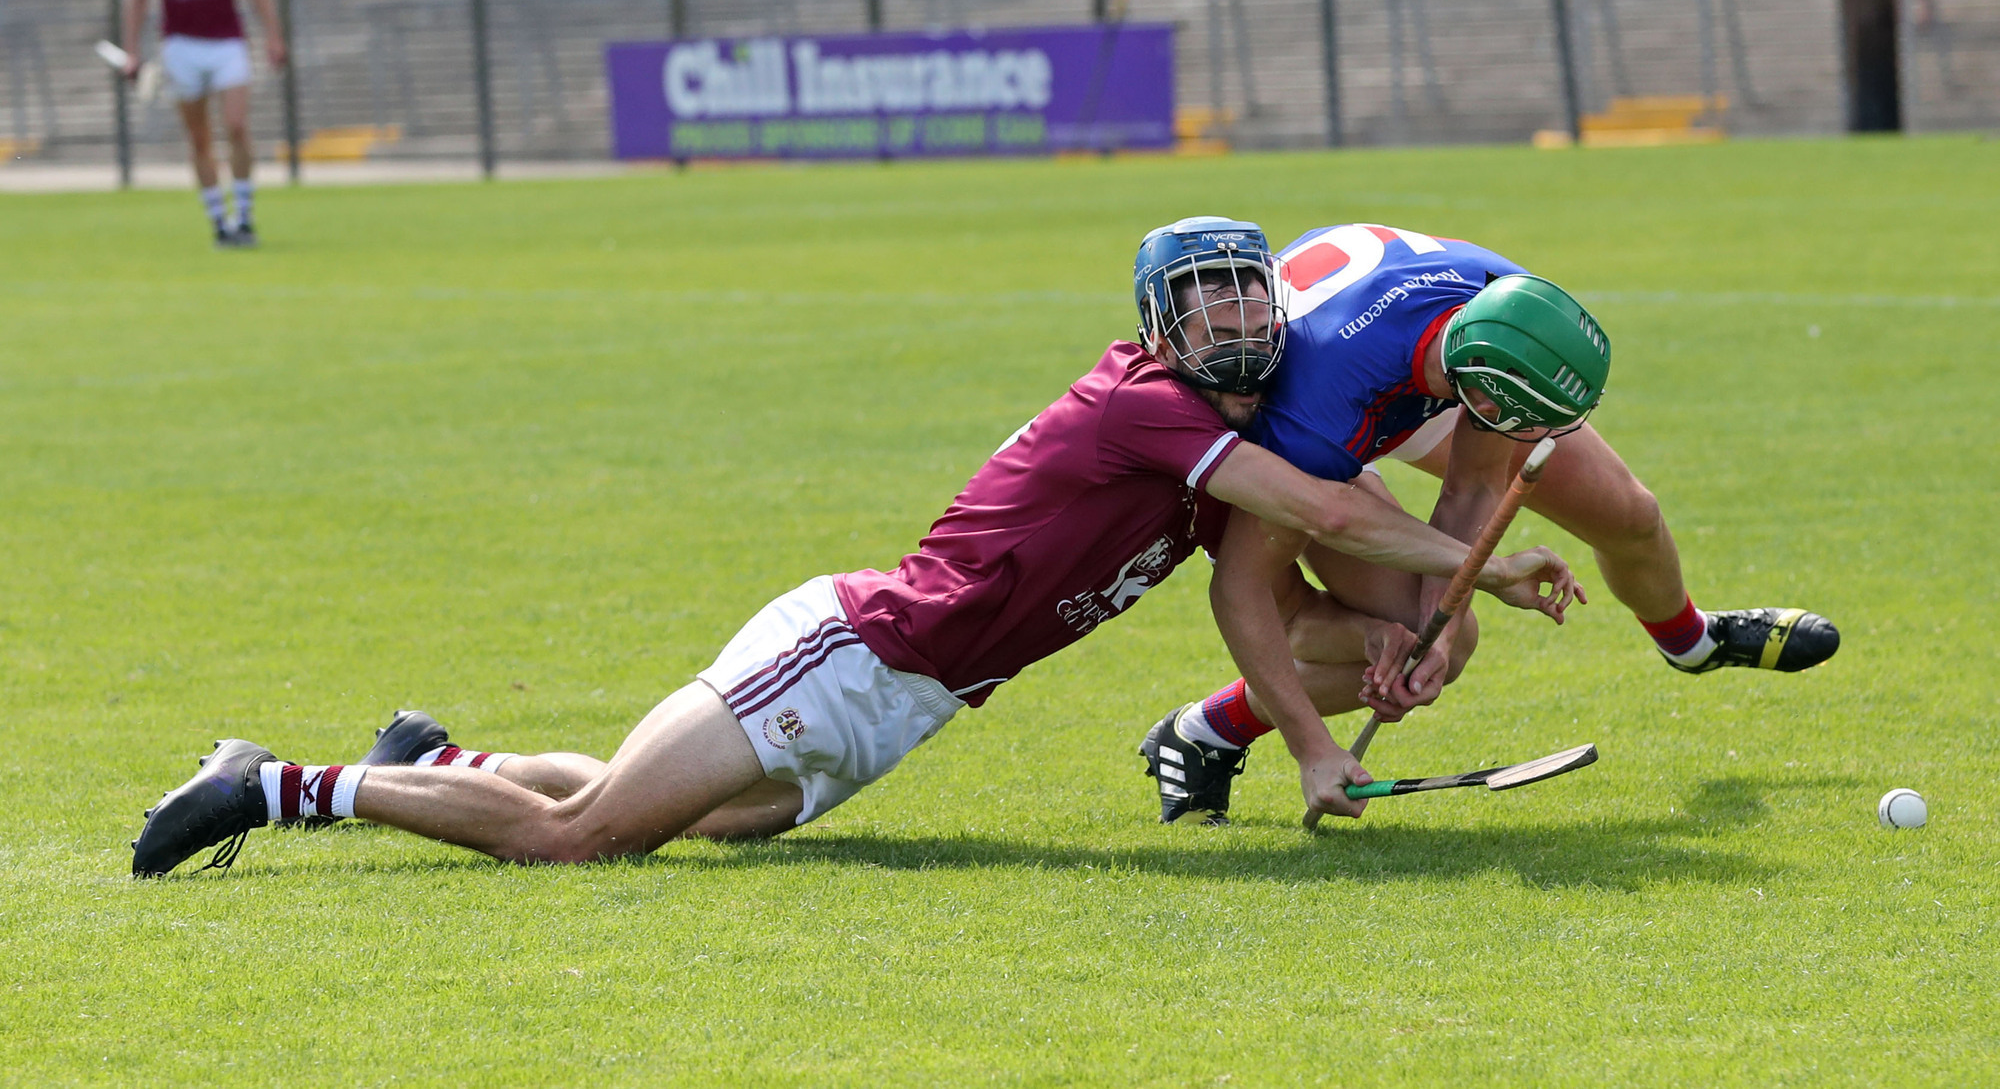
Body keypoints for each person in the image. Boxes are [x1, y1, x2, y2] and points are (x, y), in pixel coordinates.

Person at [131, 218, 1582, 876]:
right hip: (865, 646)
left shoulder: (1235, 441)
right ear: (1158, 321)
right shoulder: (1150, 406)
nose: (1238, 321)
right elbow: (1331, 517)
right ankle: (275, 783)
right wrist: (1497, 570)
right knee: (593, 838)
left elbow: (1289, 587)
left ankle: (438, 760)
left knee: (714, 824)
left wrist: (1386, 656)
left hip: (919, 693)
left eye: (1249, 298)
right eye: (1203, 304)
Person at [1140, 222, 1839, 824]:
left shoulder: (1507, 309)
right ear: (1474, 388)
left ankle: (1692, 642)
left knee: (1629, 516)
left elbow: (1473, 485)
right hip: (1333, 402)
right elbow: (1248, 592)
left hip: (1416, 358)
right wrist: (1319, 739)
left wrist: (1434, 632)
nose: (1527, 432)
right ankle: (1206, 731)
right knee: (1417, 636)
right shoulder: (1305, 423)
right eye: (1511, 416)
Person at [123, 0, 286, 248]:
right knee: (199, 139)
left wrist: (273, 35)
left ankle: (243, 217)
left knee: (236, 125)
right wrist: (132, 51)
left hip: (227, 41)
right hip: (180, 45)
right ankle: (219, 223)